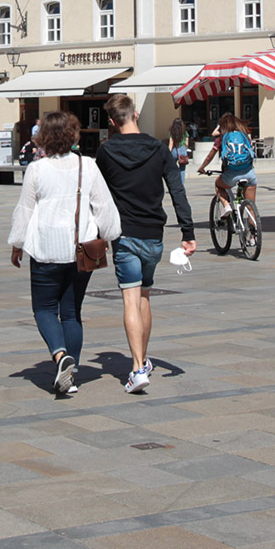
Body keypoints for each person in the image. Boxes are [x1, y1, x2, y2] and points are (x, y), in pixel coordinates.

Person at [7, 112, 121, 397]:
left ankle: (60, 356)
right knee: (71, 312)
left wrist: (17, 243)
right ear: (73, 135)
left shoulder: (37, 169)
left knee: (44, 309)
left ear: (44, 137)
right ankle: (72, 374)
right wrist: (110, 235)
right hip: (81, 249)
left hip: (46, 248)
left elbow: (25, 209)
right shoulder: (87, 165)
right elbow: (104, 206)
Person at [95, 94, 195, 394]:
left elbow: (97, 196)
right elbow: (177, 190)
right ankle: (144, 359)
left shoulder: (106, 151)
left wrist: (96, 231)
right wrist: (188, 232)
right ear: (136, 114)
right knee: (144, 296)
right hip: (154, 234)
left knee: (130, 299)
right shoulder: (158, 149)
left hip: (124, 234)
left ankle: (137, 367)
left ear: (112, 122)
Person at [195, 113, 258, 212]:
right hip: (249, 173)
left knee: (218, 184)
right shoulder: (244, 136)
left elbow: (209, 157)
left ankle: (226, 206)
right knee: (251, 208)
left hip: (231, 174)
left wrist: (202, 168)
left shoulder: (222, 138)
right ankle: (253, 221)